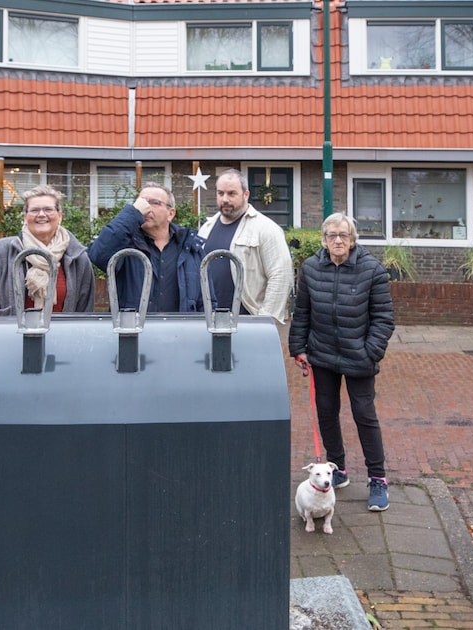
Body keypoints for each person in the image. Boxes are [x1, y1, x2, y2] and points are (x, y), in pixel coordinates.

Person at [288, 213, 395, 511]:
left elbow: (384, 318)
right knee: (327, 412)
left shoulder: (371, 269)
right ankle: (339, 470)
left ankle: (377, 479)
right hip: (322, 354)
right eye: (332, 235)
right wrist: (298, 347)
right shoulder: (310, 268)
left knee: (364, 414)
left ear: (352, 240)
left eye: (343, 235)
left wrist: (370, 351)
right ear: (323, 239)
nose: (338, 240)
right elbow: (303, 311)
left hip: (359, 355)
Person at [0, 184, 96, 338]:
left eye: (48, 209)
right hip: (8, 344)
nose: (41, 215)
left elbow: (84, 312)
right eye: (35, 210)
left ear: (60, 215)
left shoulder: (77, 257)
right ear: (25, 216)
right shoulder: (3, 251)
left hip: (62, 345)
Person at [87, 181, 204, 312]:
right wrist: (132, 214)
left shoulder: (190, 246)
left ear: (170, 213)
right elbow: (98, 254)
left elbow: (206, 300)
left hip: (181, 330)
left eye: (155, 202)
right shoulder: (126, 245)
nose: (146, 207)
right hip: (134, 329)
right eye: (142, 202)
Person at [198, 169, 293, 322]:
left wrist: (265, 320)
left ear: (246, 194)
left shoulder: (266, 229)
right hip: (210, 320)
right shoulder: (206, 228)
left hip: (248, 322)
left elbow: (280, 276)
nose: (225, 199)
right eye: (220, 193)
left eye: (231, 193)